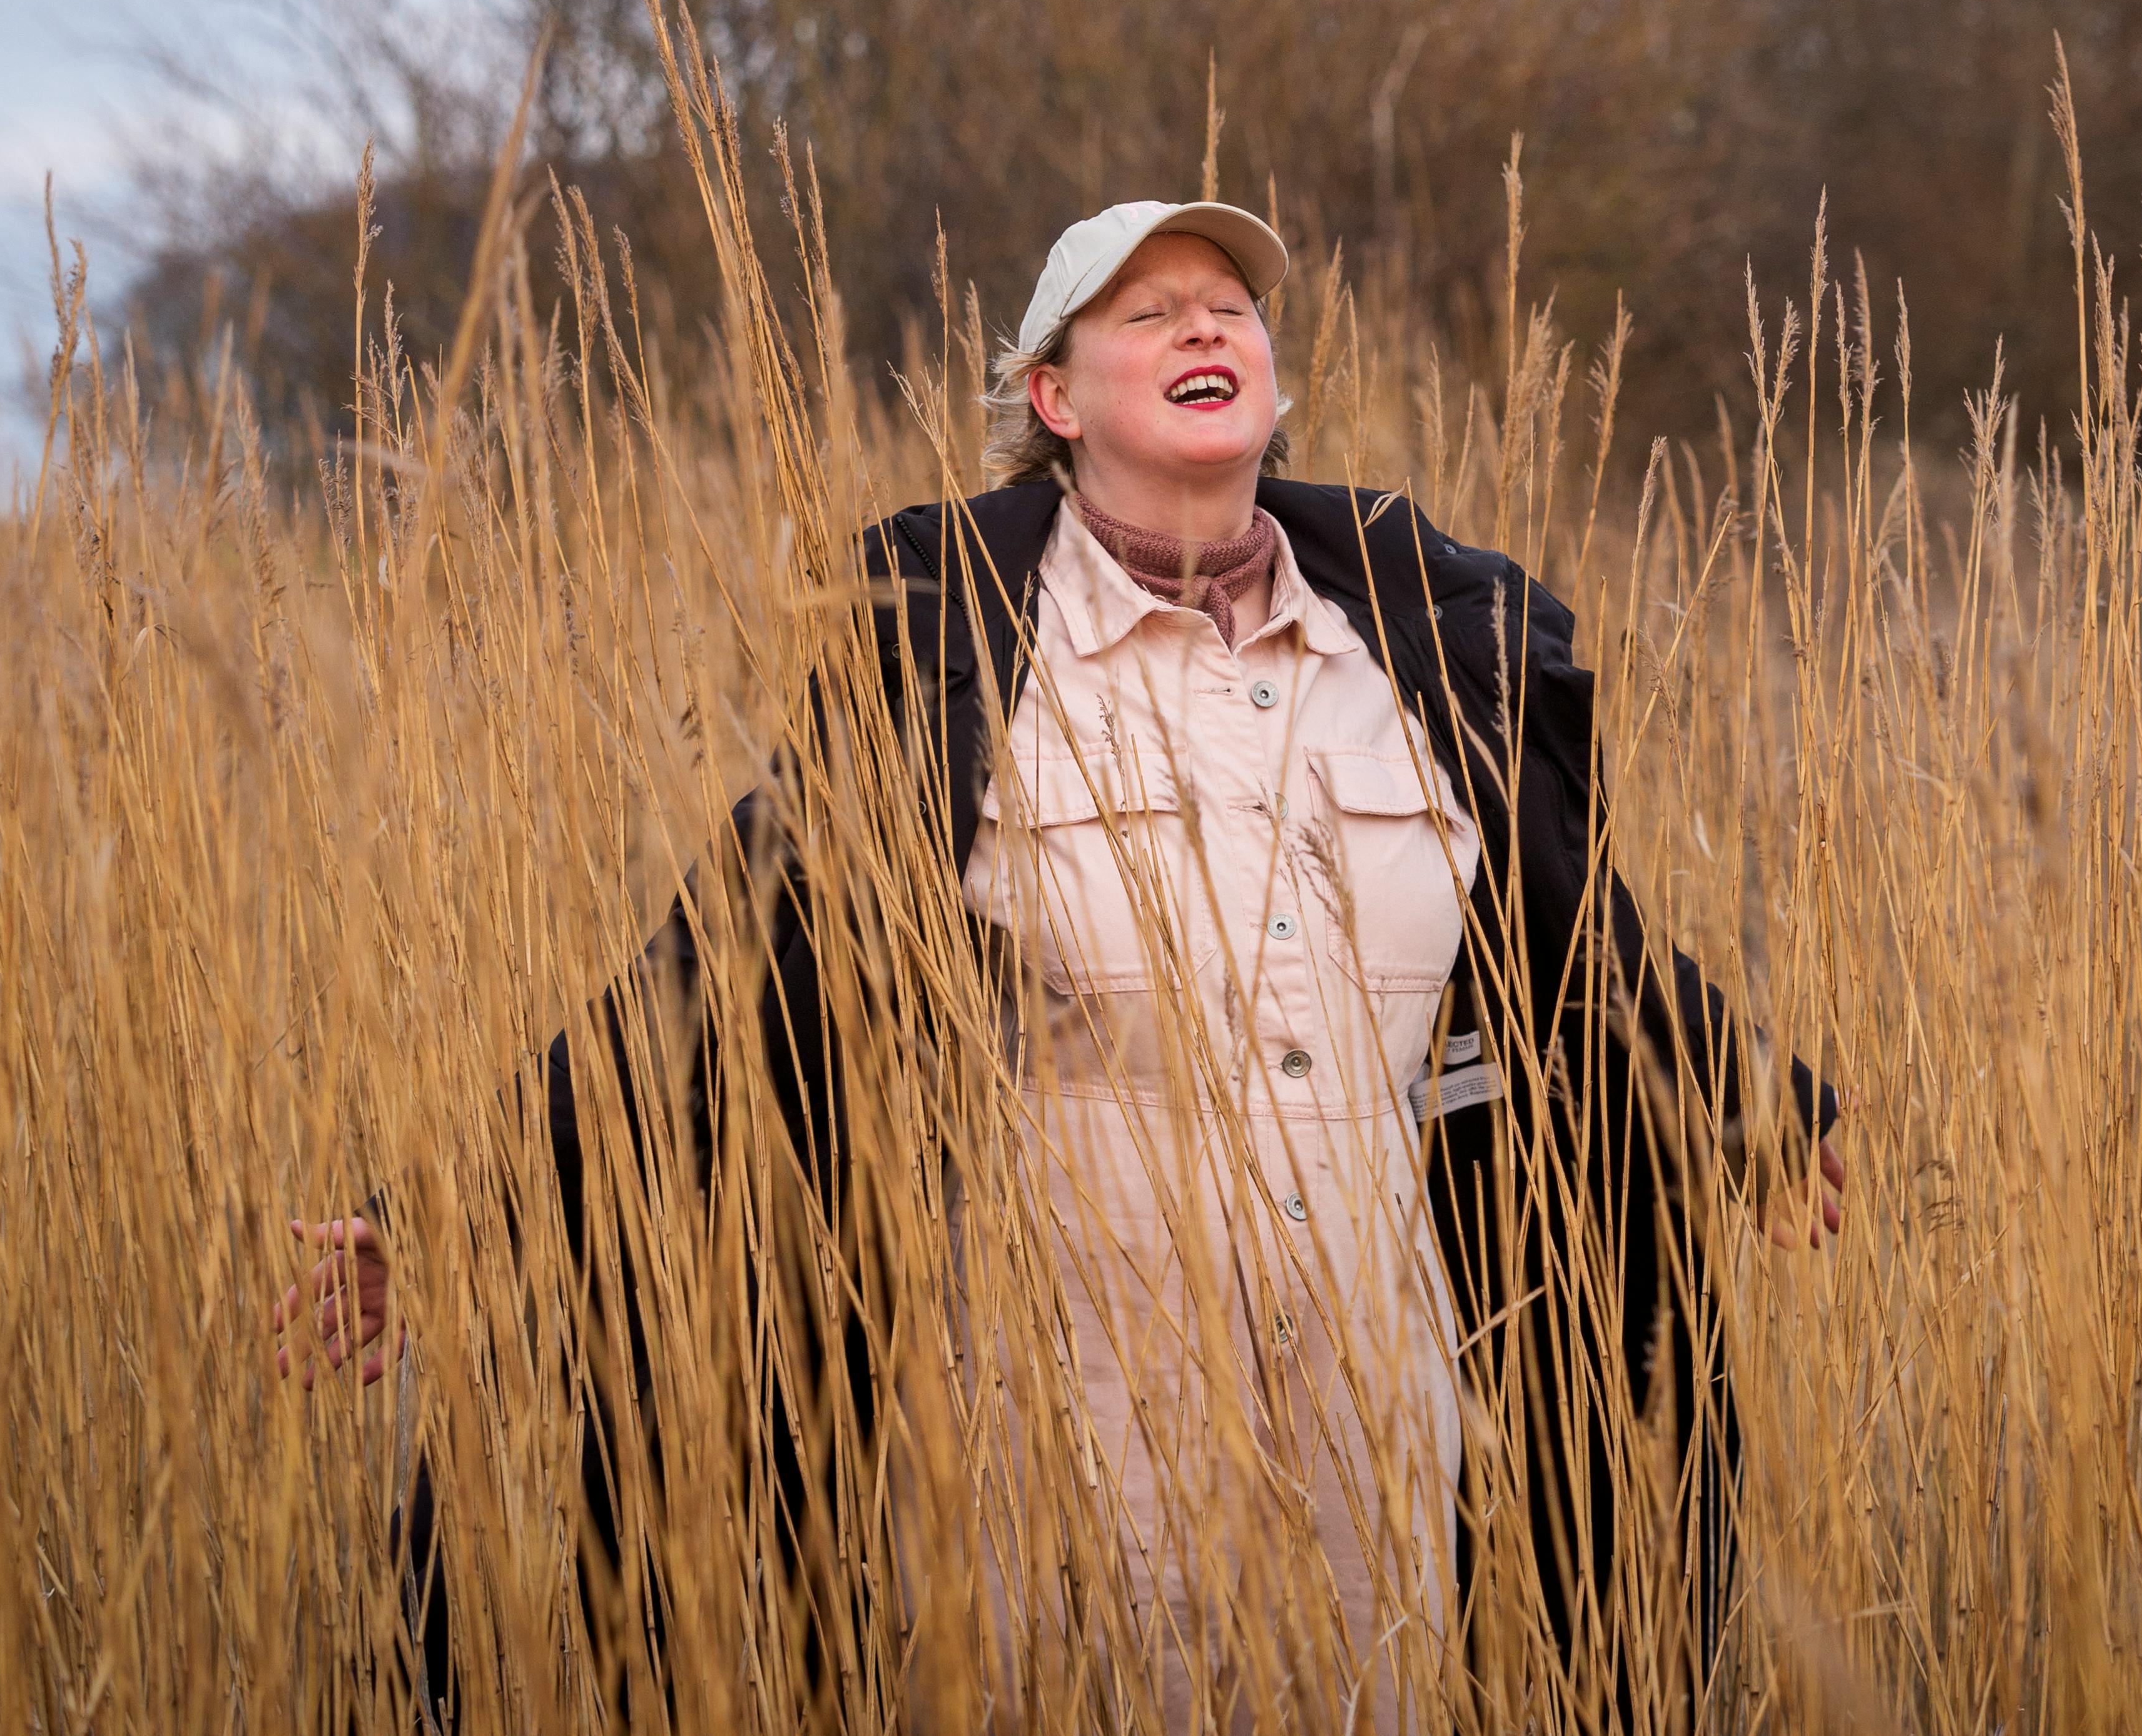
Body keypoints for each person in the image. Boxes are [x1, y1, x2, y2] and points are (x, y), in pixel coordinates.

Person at [277, 198, 1844, 1725]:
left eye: (1231, 305)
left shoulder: (1428, 649)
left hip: (1381, 1358)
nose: (1205, 324)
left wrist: (1747, 1098)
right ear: (1054, 397)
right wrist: (450, 1212)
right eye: (1147, 313)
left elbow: (1572, 931)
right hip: (1067, 1371)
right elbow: (713, 962)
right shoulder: (943, 655)